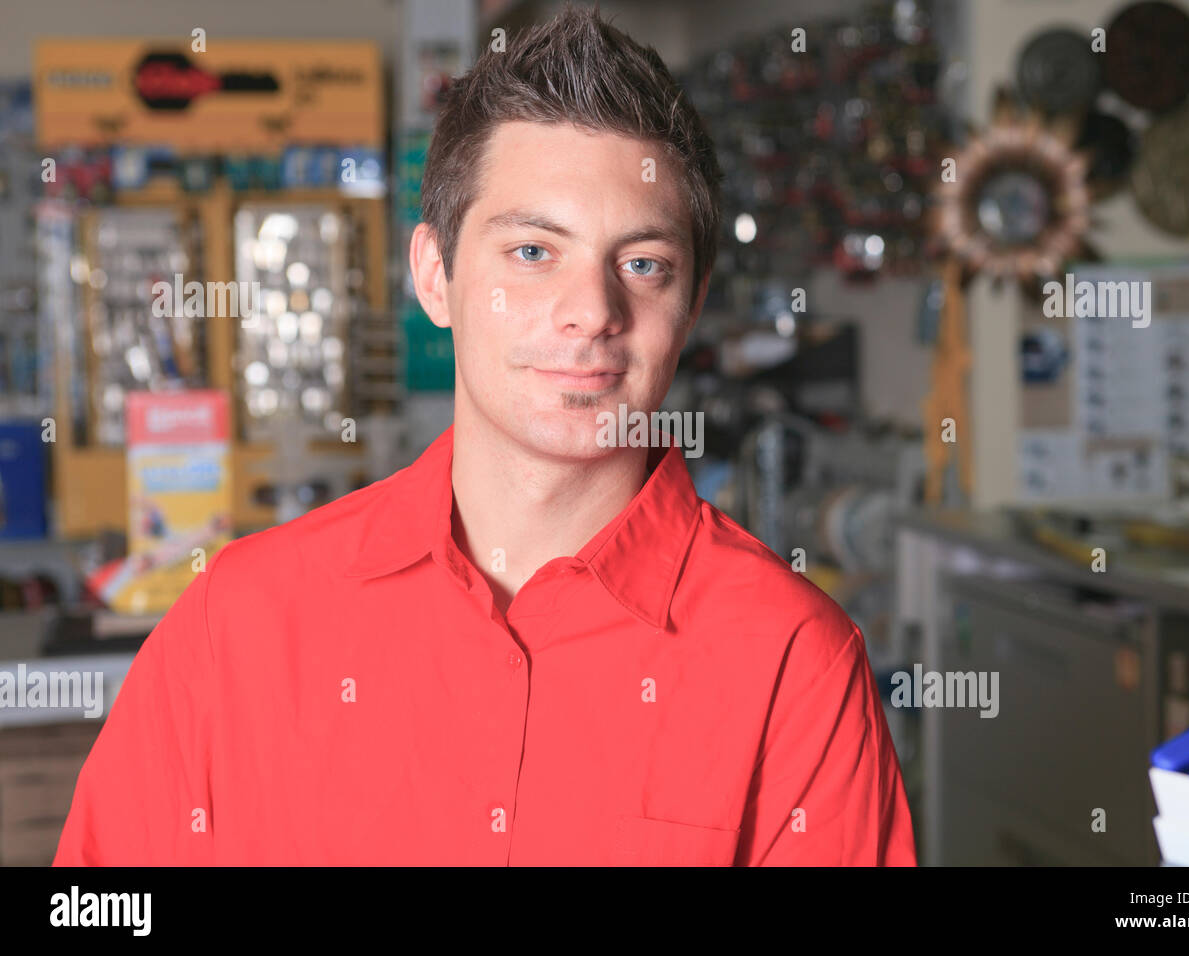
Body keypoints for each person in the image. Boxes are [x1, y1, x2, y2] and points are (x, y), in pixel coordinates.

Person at [55, 3, 915, 866]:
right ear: (436, 276)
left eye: (642, 263)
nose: (591, 312)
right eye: (534, 252)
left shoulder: (793, 664)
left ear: (689, 307)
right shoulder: (235, 625)